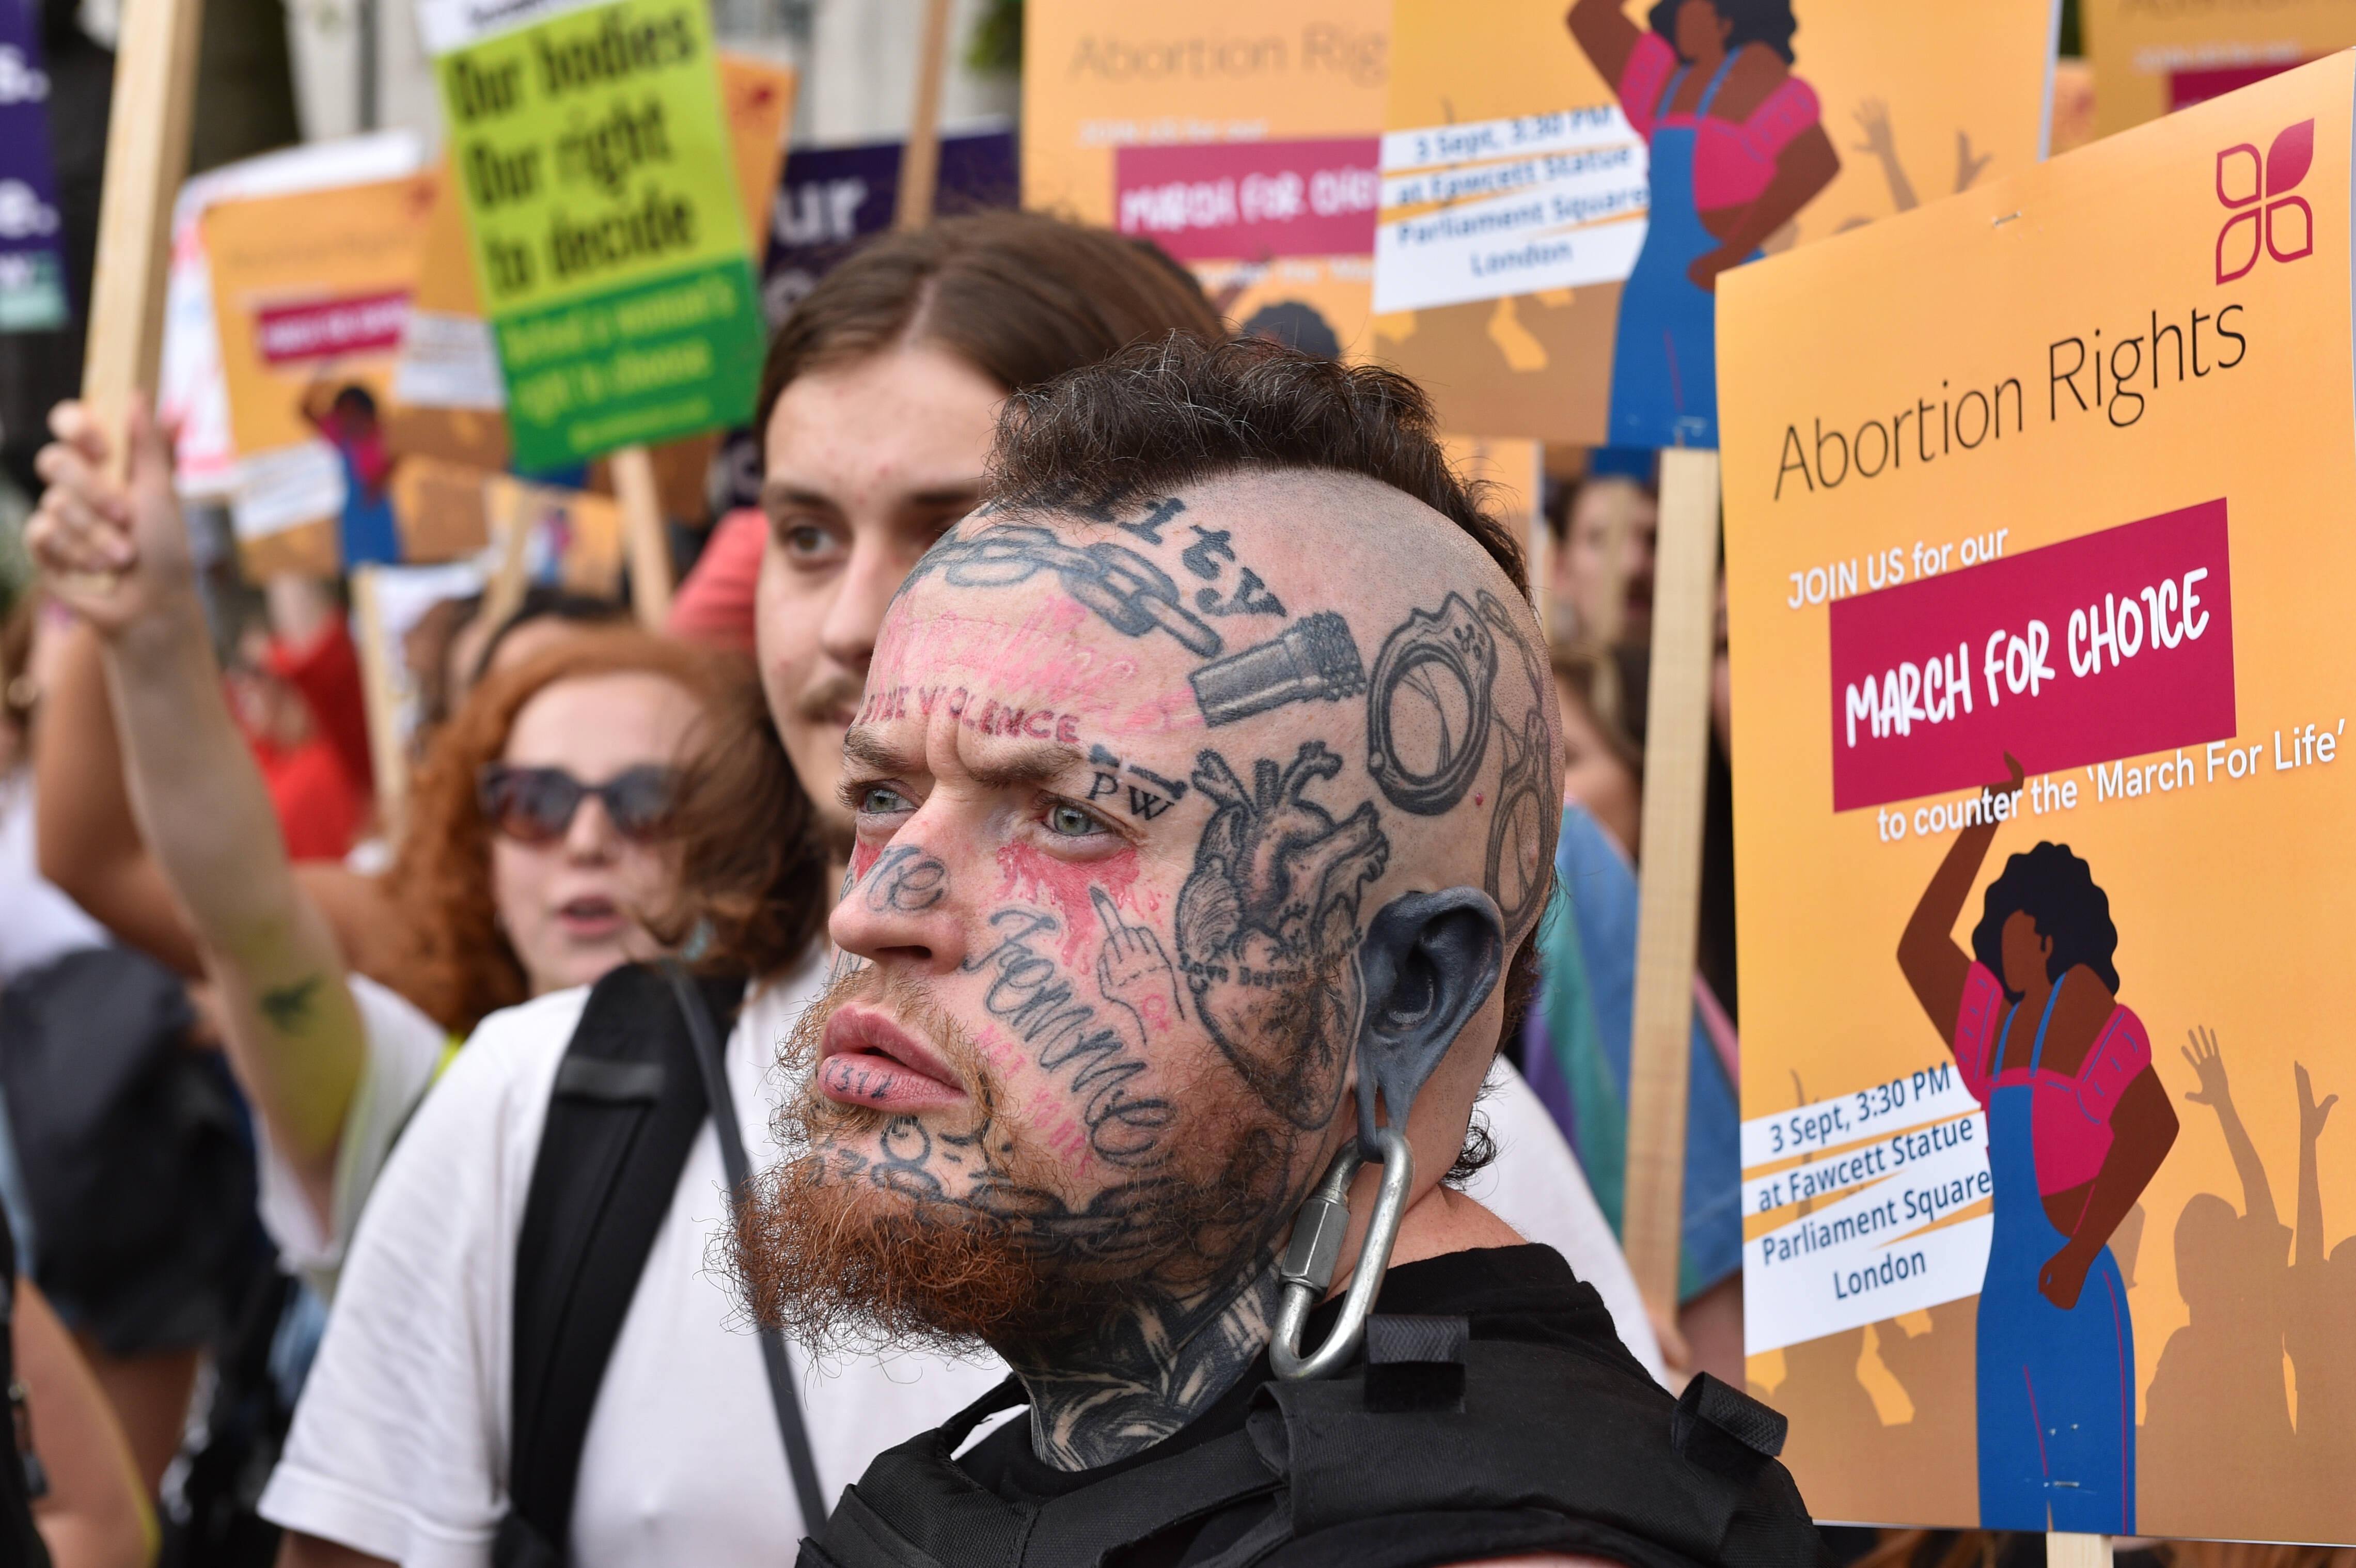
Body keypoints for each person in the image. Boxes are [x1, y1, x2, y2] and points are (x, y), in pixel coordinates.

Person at [747, 336, 1820, 1568]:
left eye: (1069, 817)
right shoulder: (1039, 1461)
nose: (875, 908)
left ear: (1407, 988)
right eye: (881, 797)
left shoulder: (1501, 1539)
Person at [1897, 760, 2178, 1534]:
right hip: (2007, 1297)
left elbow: (2153, 1125)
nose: (1994, 943)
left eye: (2009, 928)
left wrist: (2081, 1250)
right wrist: (1986, 812)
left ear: (2047, 936)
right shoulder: (1996, 1027)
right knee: (2011, 1520)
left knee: (2091, 1515)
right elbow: (1920, 942)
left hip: (2070, 1293)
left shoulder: (2081, 1005)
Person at [1567, 0, 1839, 448]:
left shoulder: (1756, 78)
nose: (1677, 18)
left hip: (1720, 288)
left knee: (1731, 434)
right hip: (1652, 286)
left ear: (1726, 20)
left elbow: (1817, 161)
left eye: (1692, 10)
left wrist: (1731, 252)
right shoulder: (1664, 85)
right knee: (1639, 426)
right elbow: (1589, 17)